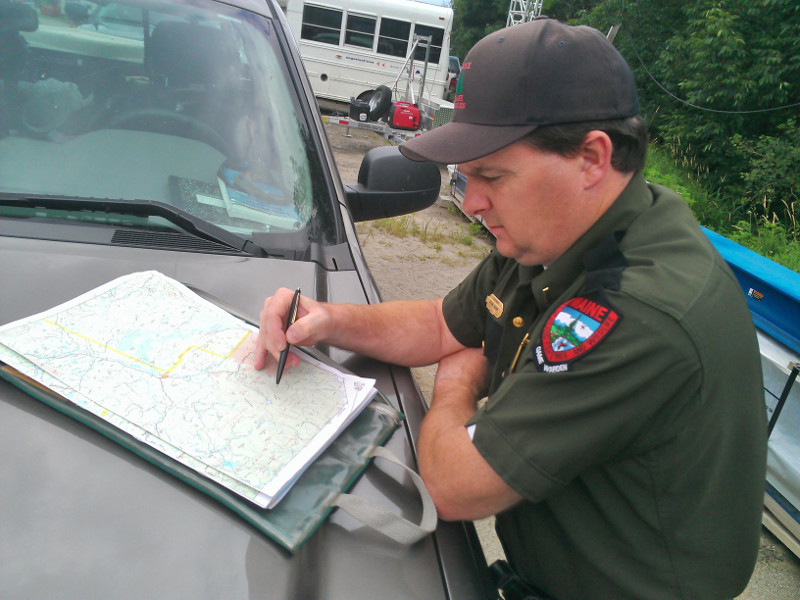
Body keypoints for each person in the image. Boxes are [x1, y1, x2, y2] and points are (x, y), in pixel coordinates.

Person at [254, 17, 767, 600]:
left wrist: (456, 381)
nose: (471, 203)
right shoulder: (563, 231)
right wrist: (330, 318)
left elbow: (454, 485)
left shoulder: (638, 311)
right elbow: (441, 324)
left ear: (592, 157)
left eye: (492, 176)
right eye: (465, 177)